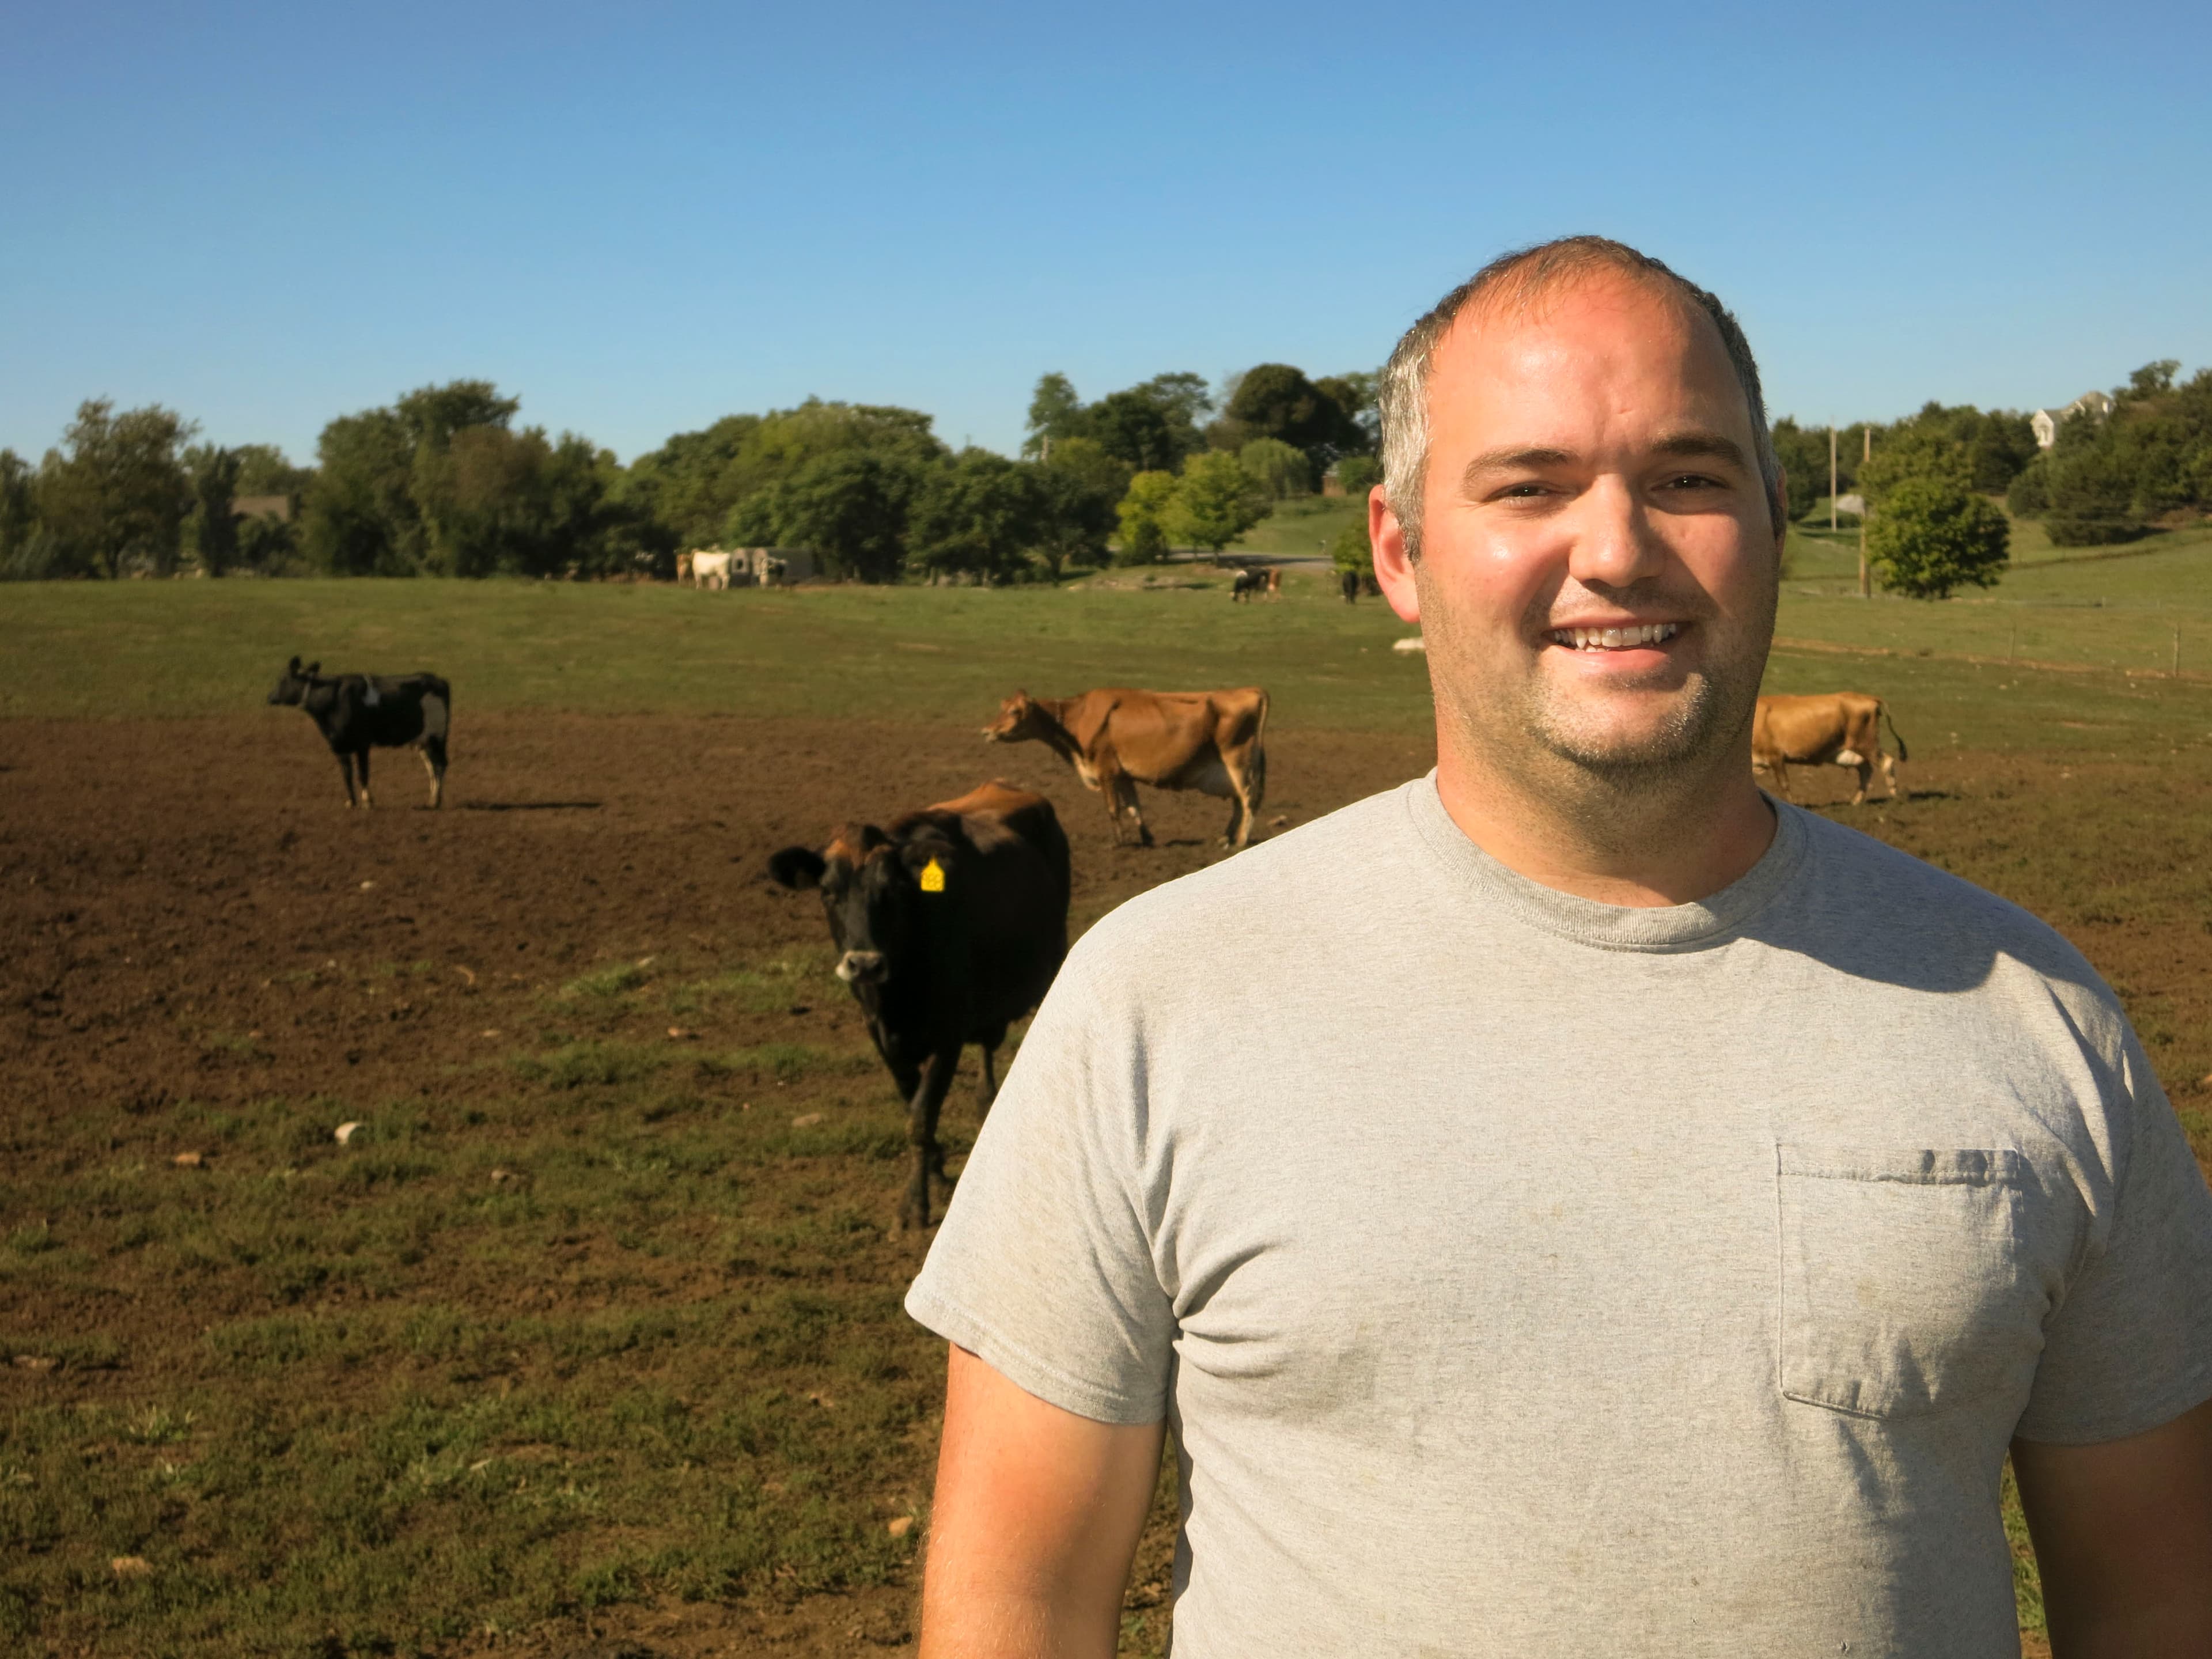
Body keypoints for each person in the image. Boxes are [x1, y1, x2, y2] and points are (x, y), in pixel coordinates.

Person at [903, 237, 2212, 1657]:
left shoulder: (2036, 1017)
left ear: (1776, 516)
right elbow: (1016, 1604)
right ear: (1400, 552)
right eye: (1528, 486)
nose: (1617, 549)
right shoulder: (1153, 1001)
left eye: (1692, 479)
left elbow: (2157, 1598)